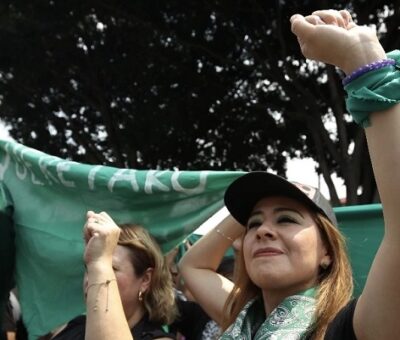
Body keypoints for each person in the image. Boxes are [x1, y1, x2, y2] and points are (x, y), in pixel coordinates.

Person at [179, 9, 400, 340]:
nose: (263, 231)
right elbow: (191, 266)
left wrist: (362, 58)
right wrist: (250, 207)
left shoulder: (354, 327)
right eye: (253, 224)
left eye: (286, 219)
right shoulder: (243, 320)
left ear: (327, 254)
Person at [52, 211, 178, 340]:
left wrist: (99, 261)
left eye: (110, 268)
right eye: (89, 268)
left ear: (145, 280)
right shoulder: (75, 327)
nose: (91, 278)